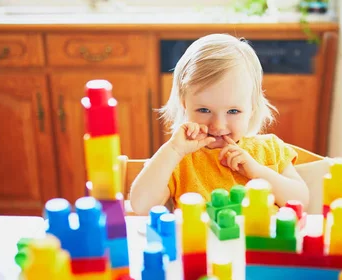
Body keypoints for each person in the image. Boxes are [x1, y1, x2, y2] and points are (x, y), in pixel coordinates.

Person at [129, 33, 309, 215]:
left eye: (233, 111)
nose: (218, 125)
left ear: (252, 108)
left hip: (261, 244)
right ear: (185, 105)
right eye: (204, 110)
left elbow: (301, 201)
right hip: (202, 243)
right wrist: (173, 151)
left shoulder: (270, 149)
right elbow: (141, 206)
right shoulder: (178, 159)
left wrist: (258, 172)